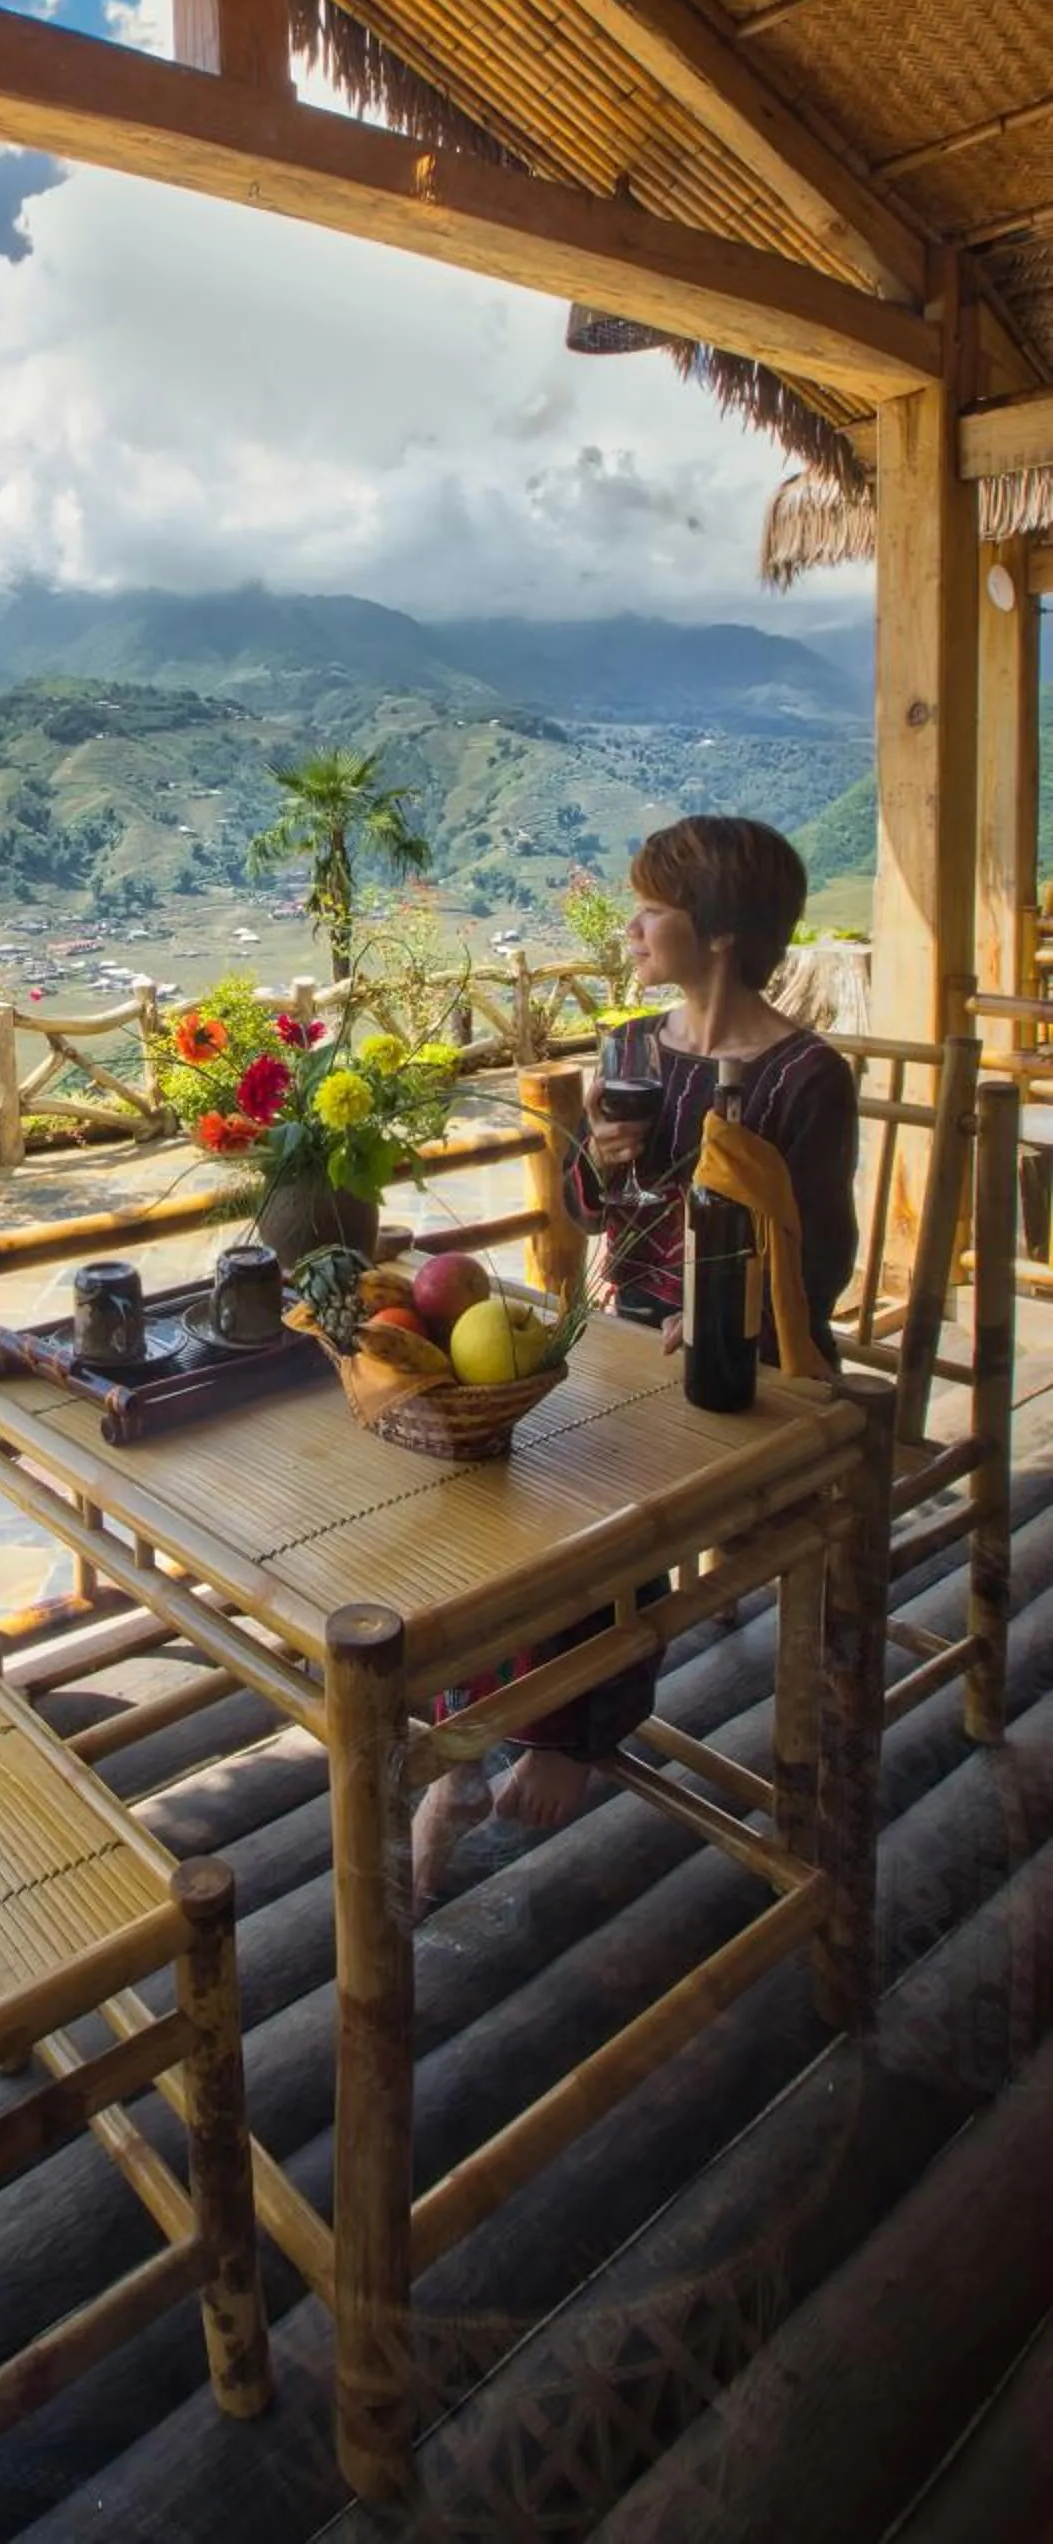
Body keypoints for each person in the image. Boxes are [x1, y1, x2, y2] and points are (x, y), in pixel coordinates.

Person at [413, 815, 859, 1905]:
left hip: (746, 1360)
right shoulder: (629, 1052)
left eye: (649, 909)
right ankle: (468, 1739)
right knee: (487, 1481)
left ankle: (565, 1734)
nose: (630, 928)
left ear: (713, 933)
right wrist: (596, 1164)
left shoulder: (805, 1077)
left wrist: (727, 1322)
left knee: (591, 1499)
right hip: (620, 1333)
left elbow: (821, 1260)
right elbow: (590, 1212)